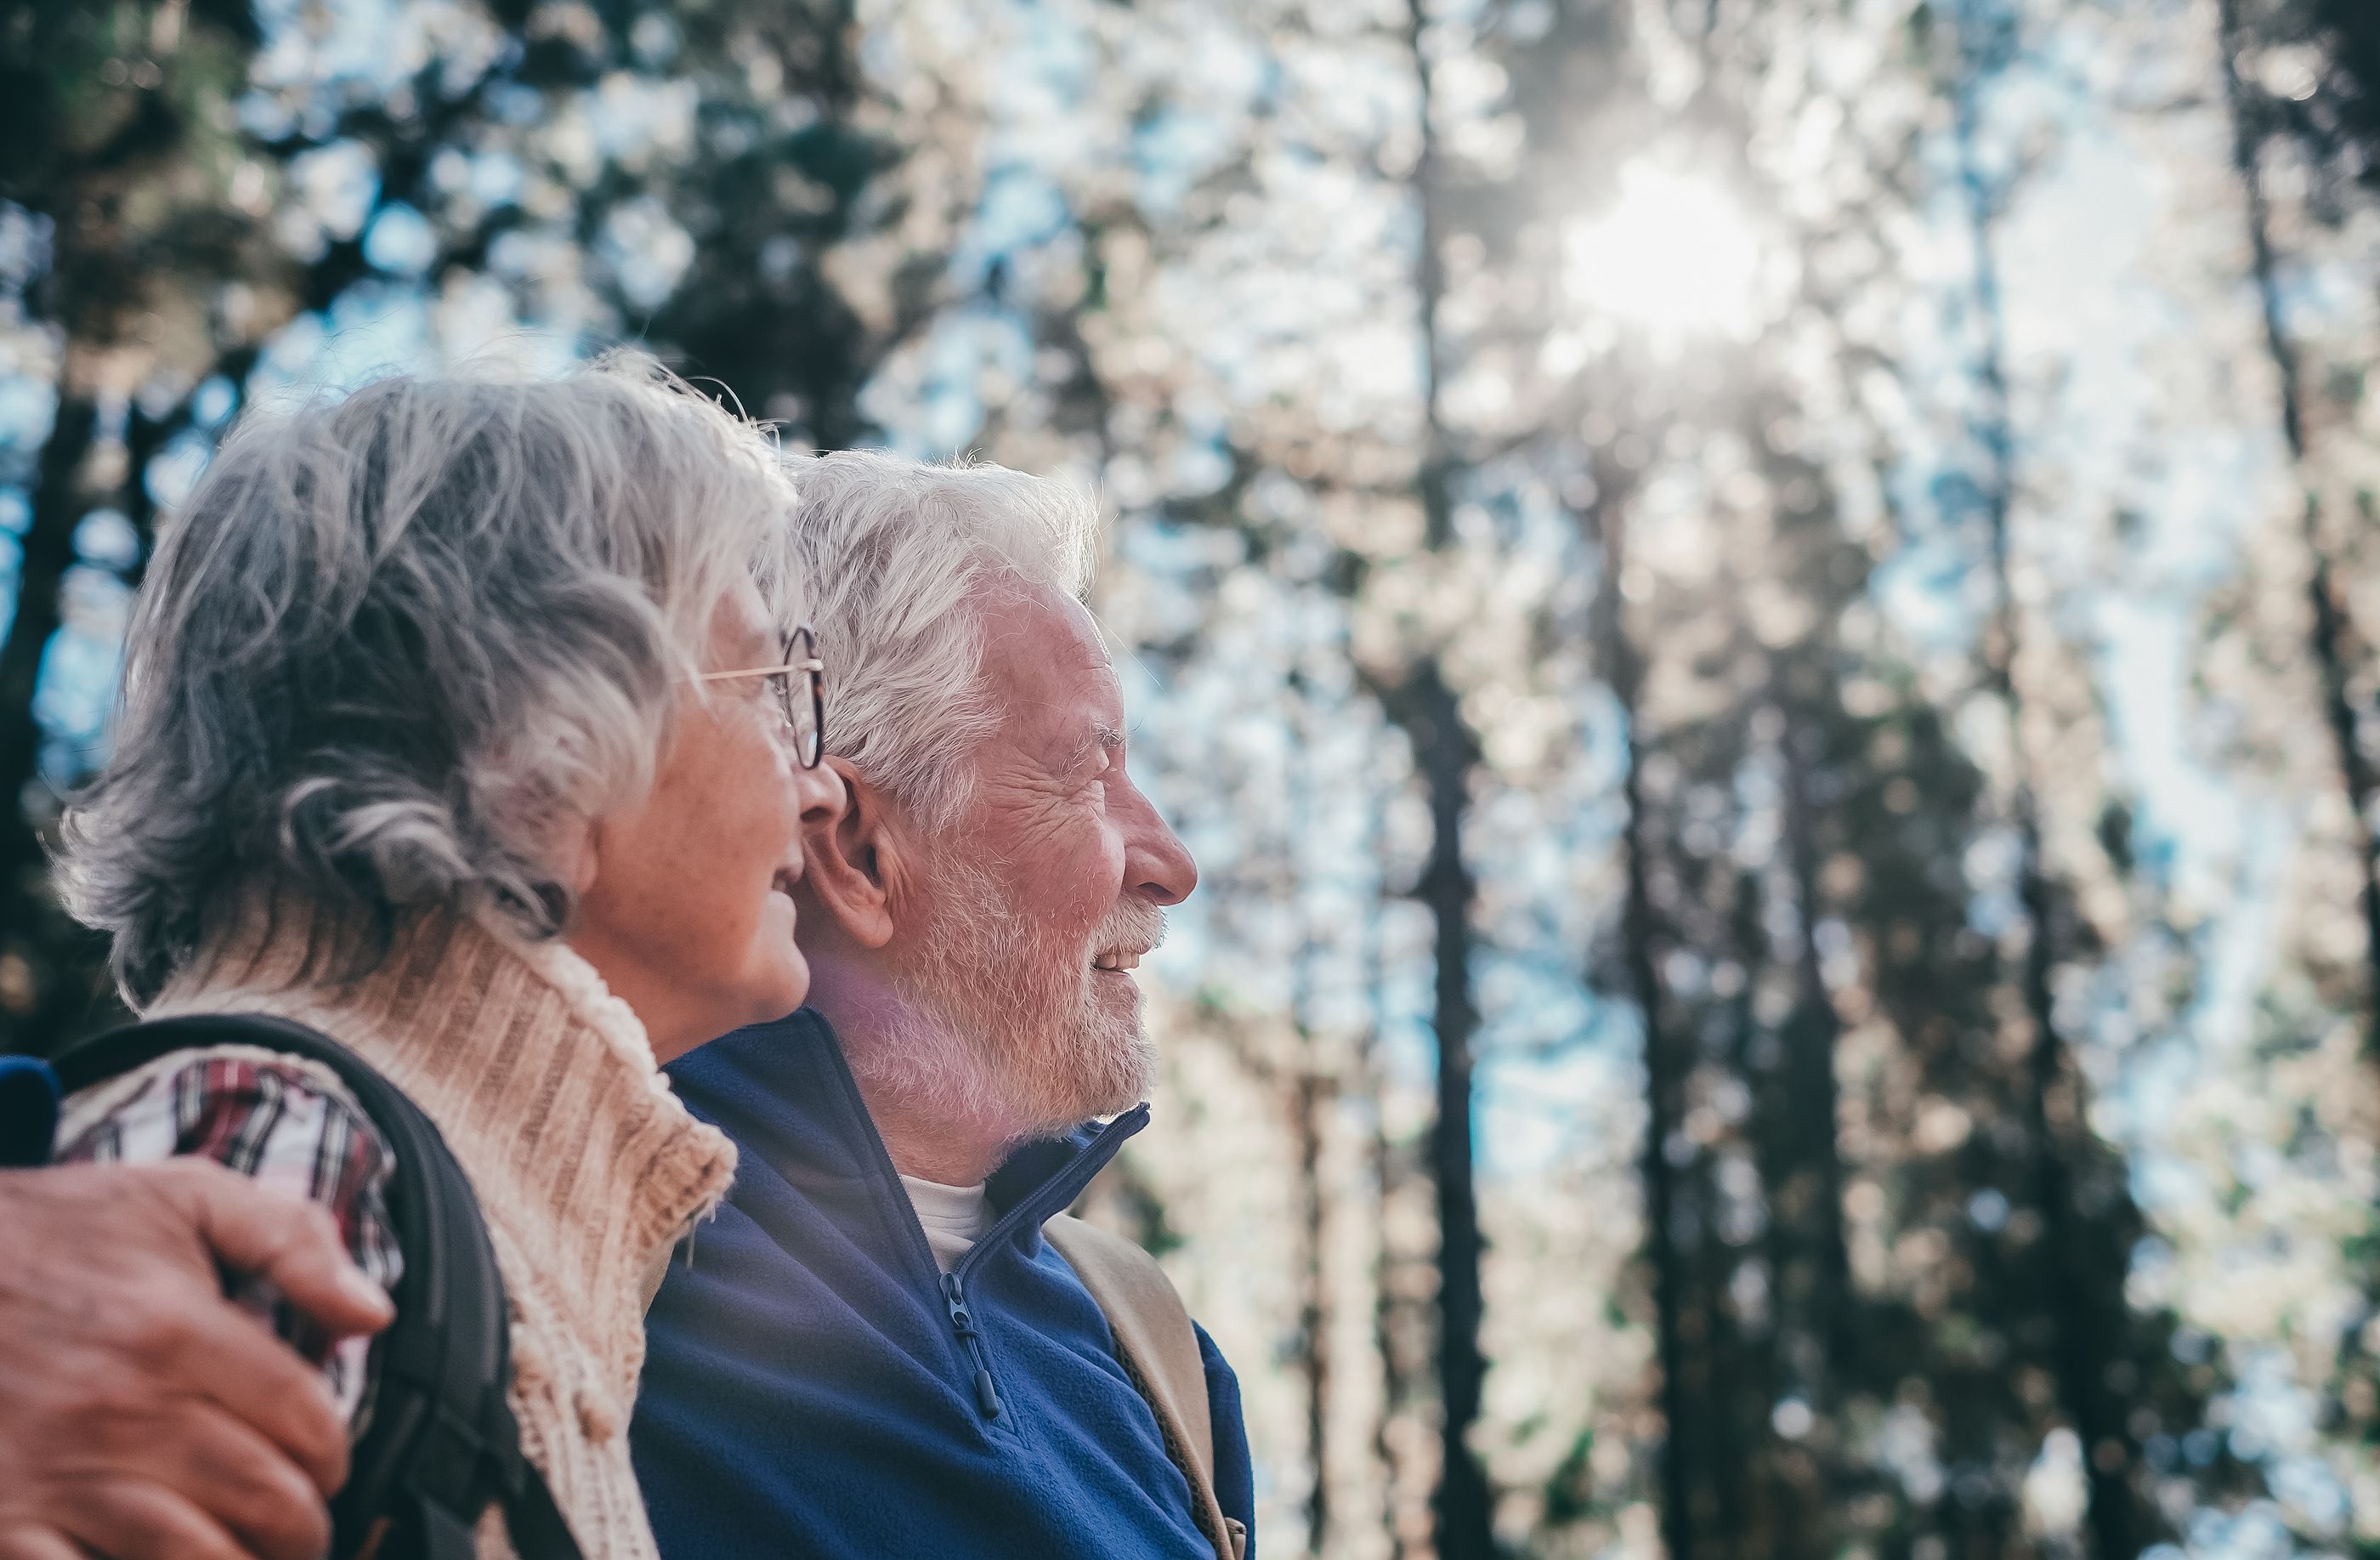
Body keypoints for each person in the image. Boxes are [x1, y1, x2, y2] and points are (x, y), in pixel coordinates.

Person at [3, 357, 845, 1560]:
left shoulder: (447, 1211)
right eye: (773, 687)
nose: (815, 786)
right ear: (543, 742)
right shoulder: (274, 1157)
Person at [630, 451, 1254, 1559]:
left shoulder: (1156, 1355)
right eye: (1084, 773)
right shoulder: (538, 1272)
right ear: (862, 852)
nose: (1169, 861)